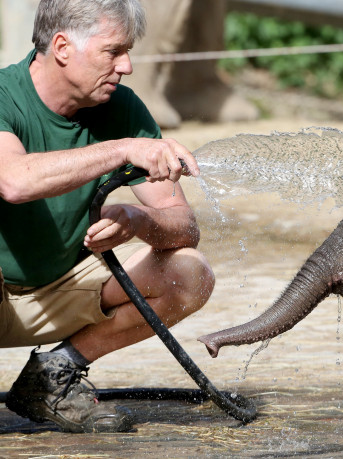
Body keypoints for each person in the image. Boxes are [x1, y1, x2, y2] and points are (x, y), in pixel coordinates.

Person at [0, 0, 215, 433]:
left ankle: (53, 375)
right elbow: (14, 182)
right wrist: (120, 150)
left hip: (61, 287)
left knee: (190, 273)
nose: (127, 67)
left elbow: (184, 226)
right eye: (113, 51)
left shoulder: (122, 107)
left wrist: (139, 221)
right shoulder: (5, 96)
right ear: (62, 46)